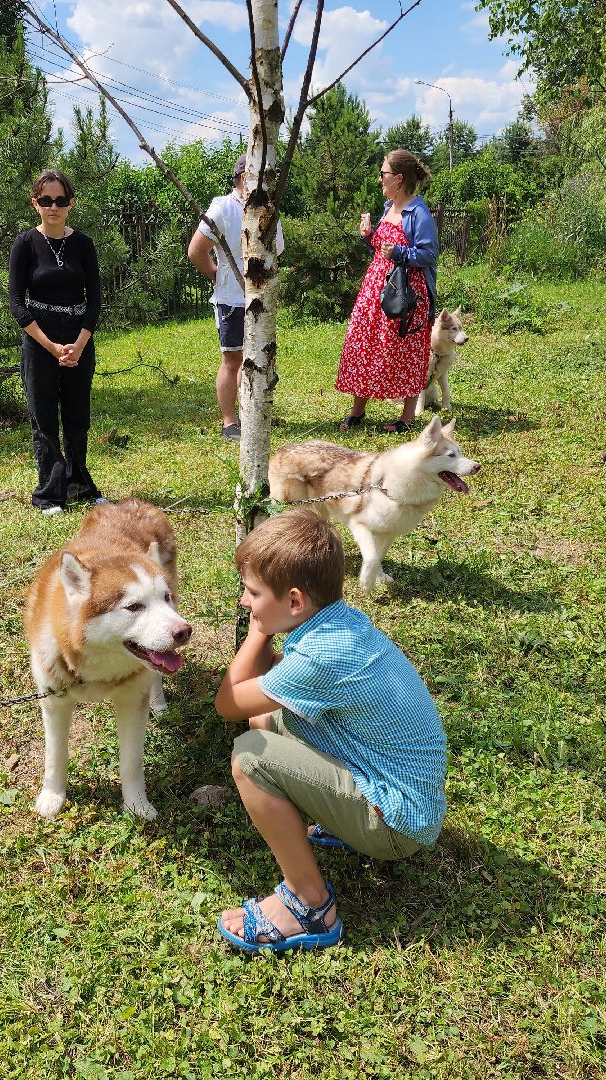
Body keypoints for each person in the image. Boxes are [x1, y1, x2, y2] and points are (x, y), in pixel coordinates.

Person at [214, 509, 448, 953]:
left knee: (251, 754)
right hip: (402, 796)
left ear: (296, 602)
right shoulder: (340, 624)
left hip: (395, 823)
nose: (244, 602)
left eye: (252, 592)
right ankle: (331, 822)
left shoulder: (322, 657)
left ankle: (310, 905)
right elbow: (262, 694)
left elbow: (228, 702)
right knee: (267, 718)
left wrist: (257, 635)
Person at [9, 169, 105, 515]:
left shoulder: (83, 244)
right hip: (40, 341)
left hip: (79, 337)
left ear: (71, 204)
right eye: (46, 200)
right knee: (44, 418)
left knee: (78, 417)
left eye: (60, 200)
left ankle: (79, 484)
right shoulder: (24, 244)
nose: (54, 207)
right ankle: (50, 493)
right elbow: (17, 303)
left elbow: (94, 300)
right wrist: (51, 347)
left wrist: (78, 345)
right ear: (35, 203)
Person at [335, 149, 438, 435]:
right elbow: (381, 250)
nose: (380, 178)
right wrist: (369, 238)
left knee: (404, 350)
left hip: (405, 293)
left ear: (399, 178)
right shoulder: (386, 208)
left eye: (384, 174)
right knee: (365, 343)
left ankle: (406, 418)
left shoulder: (418, 213)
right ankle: (358, 410)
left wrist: (401, 252)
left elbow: (429, 254)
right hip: (374, 289)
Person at [186, 153, 284, 441]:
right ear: (244, 177)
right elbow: (196, 250)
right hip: (230, 299)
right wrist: (216, 274)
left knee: (256, 357)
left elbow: (277, 248)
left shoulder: (268, 209)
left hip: (259, 296)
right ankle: (229, 422)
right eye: (259, 177)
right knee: (232, 360)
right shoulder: (223, 207)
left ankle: (249, 415)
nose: (266, 184)